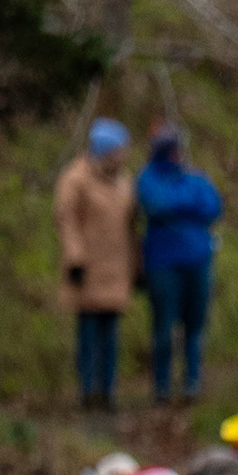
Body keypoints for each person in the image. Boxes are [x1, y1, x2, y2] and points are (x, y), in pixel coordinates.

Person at [54, 117, 137, 410]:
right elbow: (67, 221)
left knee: (110, 336)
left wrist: (137, 266)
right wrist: (75, 258)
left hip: (116, 271)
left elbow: (131, 227)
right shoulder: (75, 179)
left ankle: (108, 390)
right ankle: (87, 390)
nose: (123, 156)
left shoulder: (124, 182)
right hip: (88, 270)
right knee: (88, 335)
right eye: (118, 150)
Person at [136, 125, 222, 403]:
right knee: (164, 326)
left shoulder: (195, 177)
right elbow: (156, 204)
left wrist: (180, 208)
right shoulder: (149, 178)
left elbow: (212, 206)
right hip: (163, 264)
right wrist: (188, 207)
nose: (177, 154)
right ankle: (161, 386)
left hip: (198, 261)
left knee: (194, 326)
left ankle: (192, 383)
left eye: (178, 148)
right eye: (171, 148)